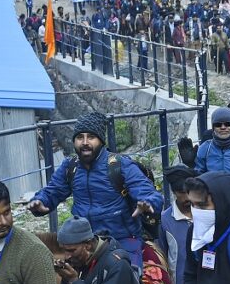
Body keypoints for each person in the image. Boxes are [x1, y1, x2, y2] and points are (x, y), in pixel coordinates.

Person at [28, 113, 162, 269]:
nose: (85, 142)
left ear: (101, 141)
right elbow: (52, 191)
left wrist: (148, 203)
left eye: (91, 137)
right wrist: (41, 202)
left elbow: (148, 192)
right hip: (83, 241)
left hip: (122, 239)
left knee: (128, 280)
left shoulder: (120, 165)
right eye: (80, 138)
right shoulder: (70, 167)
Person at [158, 166, 198, 284]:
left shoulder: (205, 214)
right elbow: (162, 258)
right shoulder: (165, 221)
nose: (186, 197)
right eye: (181, 192)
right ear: (174, 192)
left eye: (189, 192)